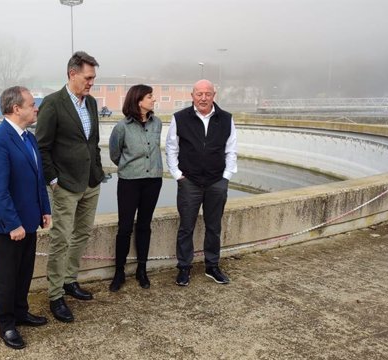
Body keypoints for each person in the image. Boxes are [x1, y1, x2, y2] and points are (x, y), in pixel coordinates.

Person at [35, 51, 105, 323]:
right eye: (88, 78)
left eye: (93, 78)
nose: (91, 83)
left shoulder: (91, 104)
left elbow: (93, 142)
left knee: (82, 233)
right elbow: (42, 147)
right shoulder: (53, 104)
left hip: (90, 181)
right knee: (61, 239)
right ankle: (55, 296)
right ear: (72, 74)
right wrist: (53, 181)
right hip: (65, 185)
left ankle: (69, 281)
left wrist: (97, 172)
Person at [0, 86, 52, 349]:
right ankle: (6, 324)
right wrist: (13, 224)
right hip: (7, 226)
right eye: (32, 104)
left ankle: (21, 311)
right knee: (7, 276)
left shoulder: (29, 139)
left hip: (29, 220)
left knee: (24, 272)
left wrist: (45, 209)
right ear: (16, 108)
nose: (36, 109)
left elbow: (38, 179)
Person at [165, 79, 237, 287]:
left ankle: (212, 266)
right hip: (190, 182)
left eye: (207, 94)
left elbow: (231, 149)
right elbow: (172, 148)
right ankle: (184, 268)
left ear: (214, 95)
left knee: (214, 227)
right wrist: (178, 175)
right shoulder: (179, 118)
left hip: (217, 181)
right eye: (199, 94)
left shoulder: (226, 119)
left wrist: (226, 177)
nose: (203, 98)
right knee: (186, 227)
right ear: (192, 96)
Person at [108, 84, 163, 292]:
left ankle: (142, 270)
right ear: (139, 100)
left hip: (153, 181)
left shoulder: (157, 123)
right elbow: (115, 153)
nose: (154, 100)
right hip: (129, 181)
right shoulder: (122, 127)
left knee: (144, 225)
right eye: (150, 97)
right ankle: (119, 272)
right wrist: (129, 166)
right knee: (124, 227)